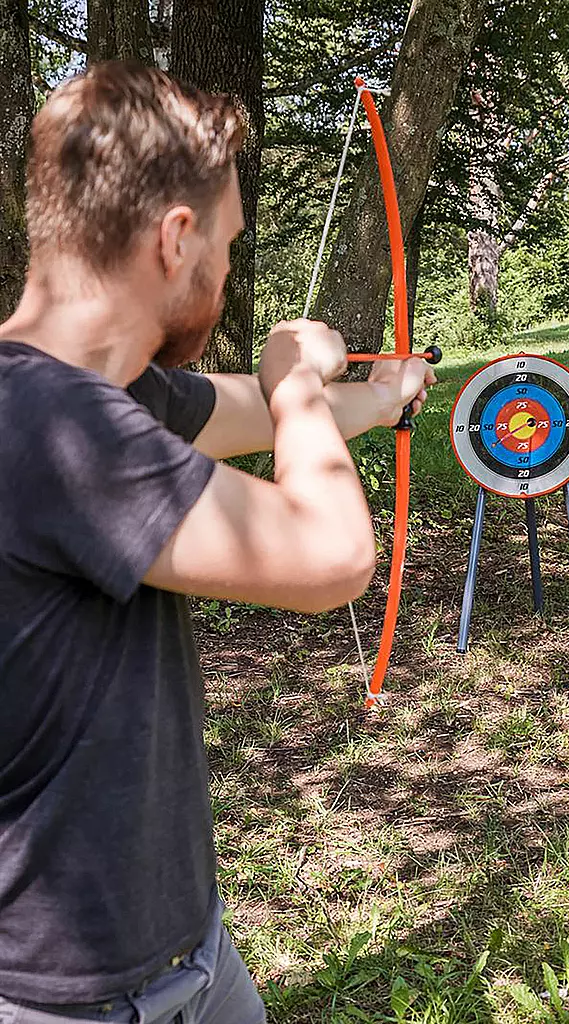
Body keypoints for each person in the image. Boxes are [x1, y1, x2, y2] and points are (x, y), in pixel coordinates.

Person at [0, 61, 436, 1024]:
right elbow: (331, 556)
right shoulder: (47, 428)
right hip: (64, 996)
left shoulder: (92, 397)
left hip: (185, 950)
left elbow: (238, 418)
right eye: (229, 244)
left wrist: (377, 395)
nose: (229, 270)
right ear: (175, 237)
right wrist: (291, 378)